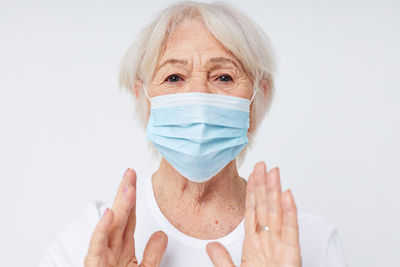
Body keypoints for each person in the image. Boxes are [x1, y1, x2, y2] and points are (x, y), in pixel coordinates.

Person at [39, 1, 348, 266]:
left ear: (256, 98)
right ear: (142, 98)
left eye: (224, 76)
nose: (199, 97)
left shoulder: (310, 241)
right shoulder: (88, 242)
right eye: (174, 77)